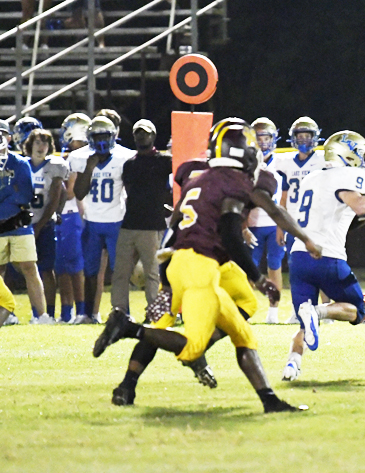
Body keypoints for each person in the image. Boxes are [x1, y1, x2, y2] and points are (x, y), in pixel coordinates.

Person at [94, 118, 300, 413]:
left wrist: (166, 273)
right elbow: (234, 224)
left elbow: (179, 221)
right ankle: (181, 347)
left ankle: (267, 398)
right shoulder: (242, 178)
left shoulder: (197, 174)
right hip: (203, 259)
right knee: (175, 330)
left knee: (242, 312)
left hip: (199, 259)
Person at [281, 130, 365, 382]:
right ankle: (317, 312)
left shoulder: (312, 177)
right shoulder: (349, 175)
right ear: (346, 155)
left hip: (298, 257)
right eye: (359, 154)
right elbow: (359, 205)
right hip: (327, 257)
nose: (363, 161)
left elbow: (337, 213)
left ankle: (292, 366)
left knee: (305, 323)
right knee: (356, 311)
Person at [70, 115, 131, 324]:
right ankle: (88, 314)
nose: (102, 141)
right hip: (92, 221)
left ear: (113, 136)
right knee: (90, 271)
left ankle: (123, 312)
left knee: (119, 271)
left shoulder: (125, 157)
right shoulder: (81, 158)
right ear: (90, 138)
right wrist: (89, 168)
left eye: (105, 136)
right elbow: (79, 193)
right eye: (97, 137)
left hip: (116, 221)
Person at [110, 119, 171, 317]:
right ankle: (119, 311)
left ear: (153, 136)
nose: (141, 136)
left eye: (145, 133)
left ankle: (154, 312)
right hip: (130, 223)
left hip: (152, 225)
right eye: (138, 133)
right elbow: (130, 191)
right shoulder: (130, 164)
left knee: (152, 273)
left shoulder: (164, 161)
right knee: (121, 273)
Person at [272, 116, 326, 323]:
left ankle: (325, 310)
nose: (303, 140)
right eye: (300, 136)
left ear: (315, 137)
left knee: (321, 266)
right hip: (294, 224)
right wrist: (280, 226)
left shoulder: (322, 160)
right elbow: (283, 198)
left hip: (317, 221)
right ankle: (299, 309)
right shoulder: (286, 162)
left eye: (307, 136)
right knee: (296, 269)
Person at [0, 119, 50, 324]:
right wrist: (10, 194)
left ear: (9, 138)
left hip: (18, 224)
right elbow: (16, 193)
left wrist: (5, 199)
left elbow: (25, 195)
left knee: (29, 268)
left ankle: (42, 315)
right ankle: (5, 314)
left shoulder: (19, 163)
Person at [24, 129, 68, 323]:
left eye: (45, 143)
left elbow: (59, 195)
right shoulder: (21, 165)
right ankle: (31, 313)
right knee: (23, 269)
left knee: (46, 269)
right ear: (30, 145)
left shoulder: (55, 166)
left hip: (45, 224)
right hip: (22, 224)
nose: (41, 147)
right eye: (37, 142)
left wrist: (42, 224)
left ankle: (48, 313)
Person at [247, 117, 285, 324]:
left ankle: (273, 312)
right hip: (252, 223)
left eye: (266, 138)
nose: (262, 143)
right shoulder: (246, 161)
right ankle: (244, 309)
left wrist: (282, 225)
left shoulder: (282, 162)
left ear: (274, 139)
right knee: (249, 268)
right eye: (258, 138)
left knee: (274, 265)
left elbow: (284, 197)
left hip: (273, 223)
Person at [55, 112, 90, 323]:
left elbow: (70, 192)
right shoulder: (72, 156)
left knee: (75, 268)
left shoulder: (80, 157)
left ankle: (81, 310)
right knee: (61, 267)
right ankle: (66, 312)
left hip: (73, 214)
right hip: (64, 215)